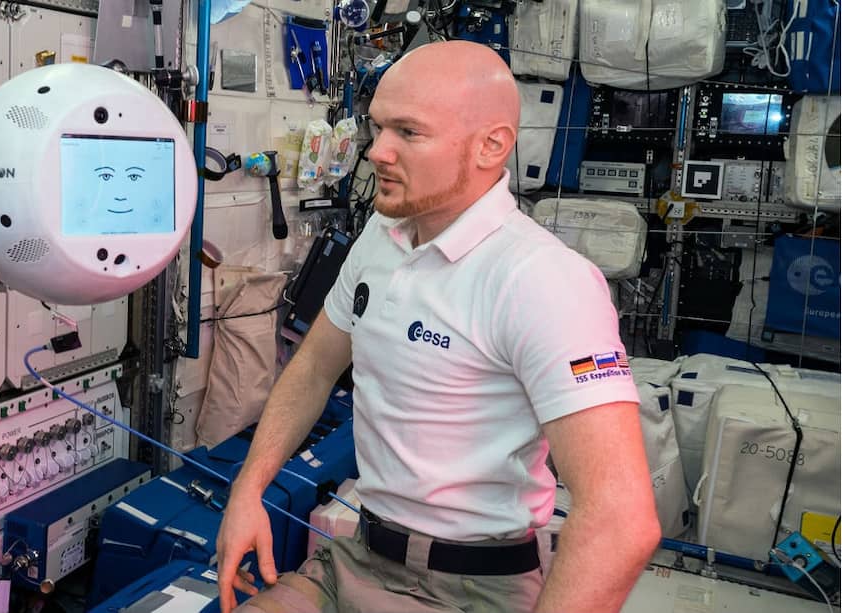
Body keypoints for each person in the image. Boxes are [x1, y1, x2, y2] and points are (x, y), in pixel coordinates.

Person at [216, 40, 661, 613]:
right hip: (355, 557)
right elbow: (313, 369)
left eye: (408, 132)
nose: (377, 152)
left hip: (472, 588)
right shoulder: (381, 236)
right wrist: (247, 490)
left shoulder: (544, 281)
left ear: (491, 146)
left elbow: (621, 520)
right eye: (377, 129)